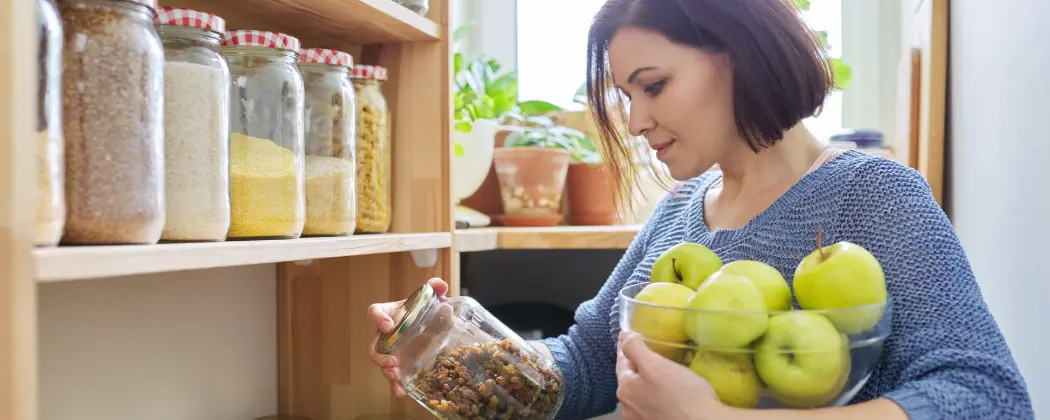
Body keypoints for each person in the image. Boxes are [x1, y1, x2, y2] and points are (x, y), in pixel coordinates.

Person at [368, 0, 1035, 418]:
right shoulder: (681, 211)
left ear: (737, 54)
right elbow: (596, 363)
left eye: (652, 86)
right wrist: (456, 350)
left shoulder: (876, 196)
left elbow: (987, 397)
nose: (634, 122)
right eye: (626, 96)